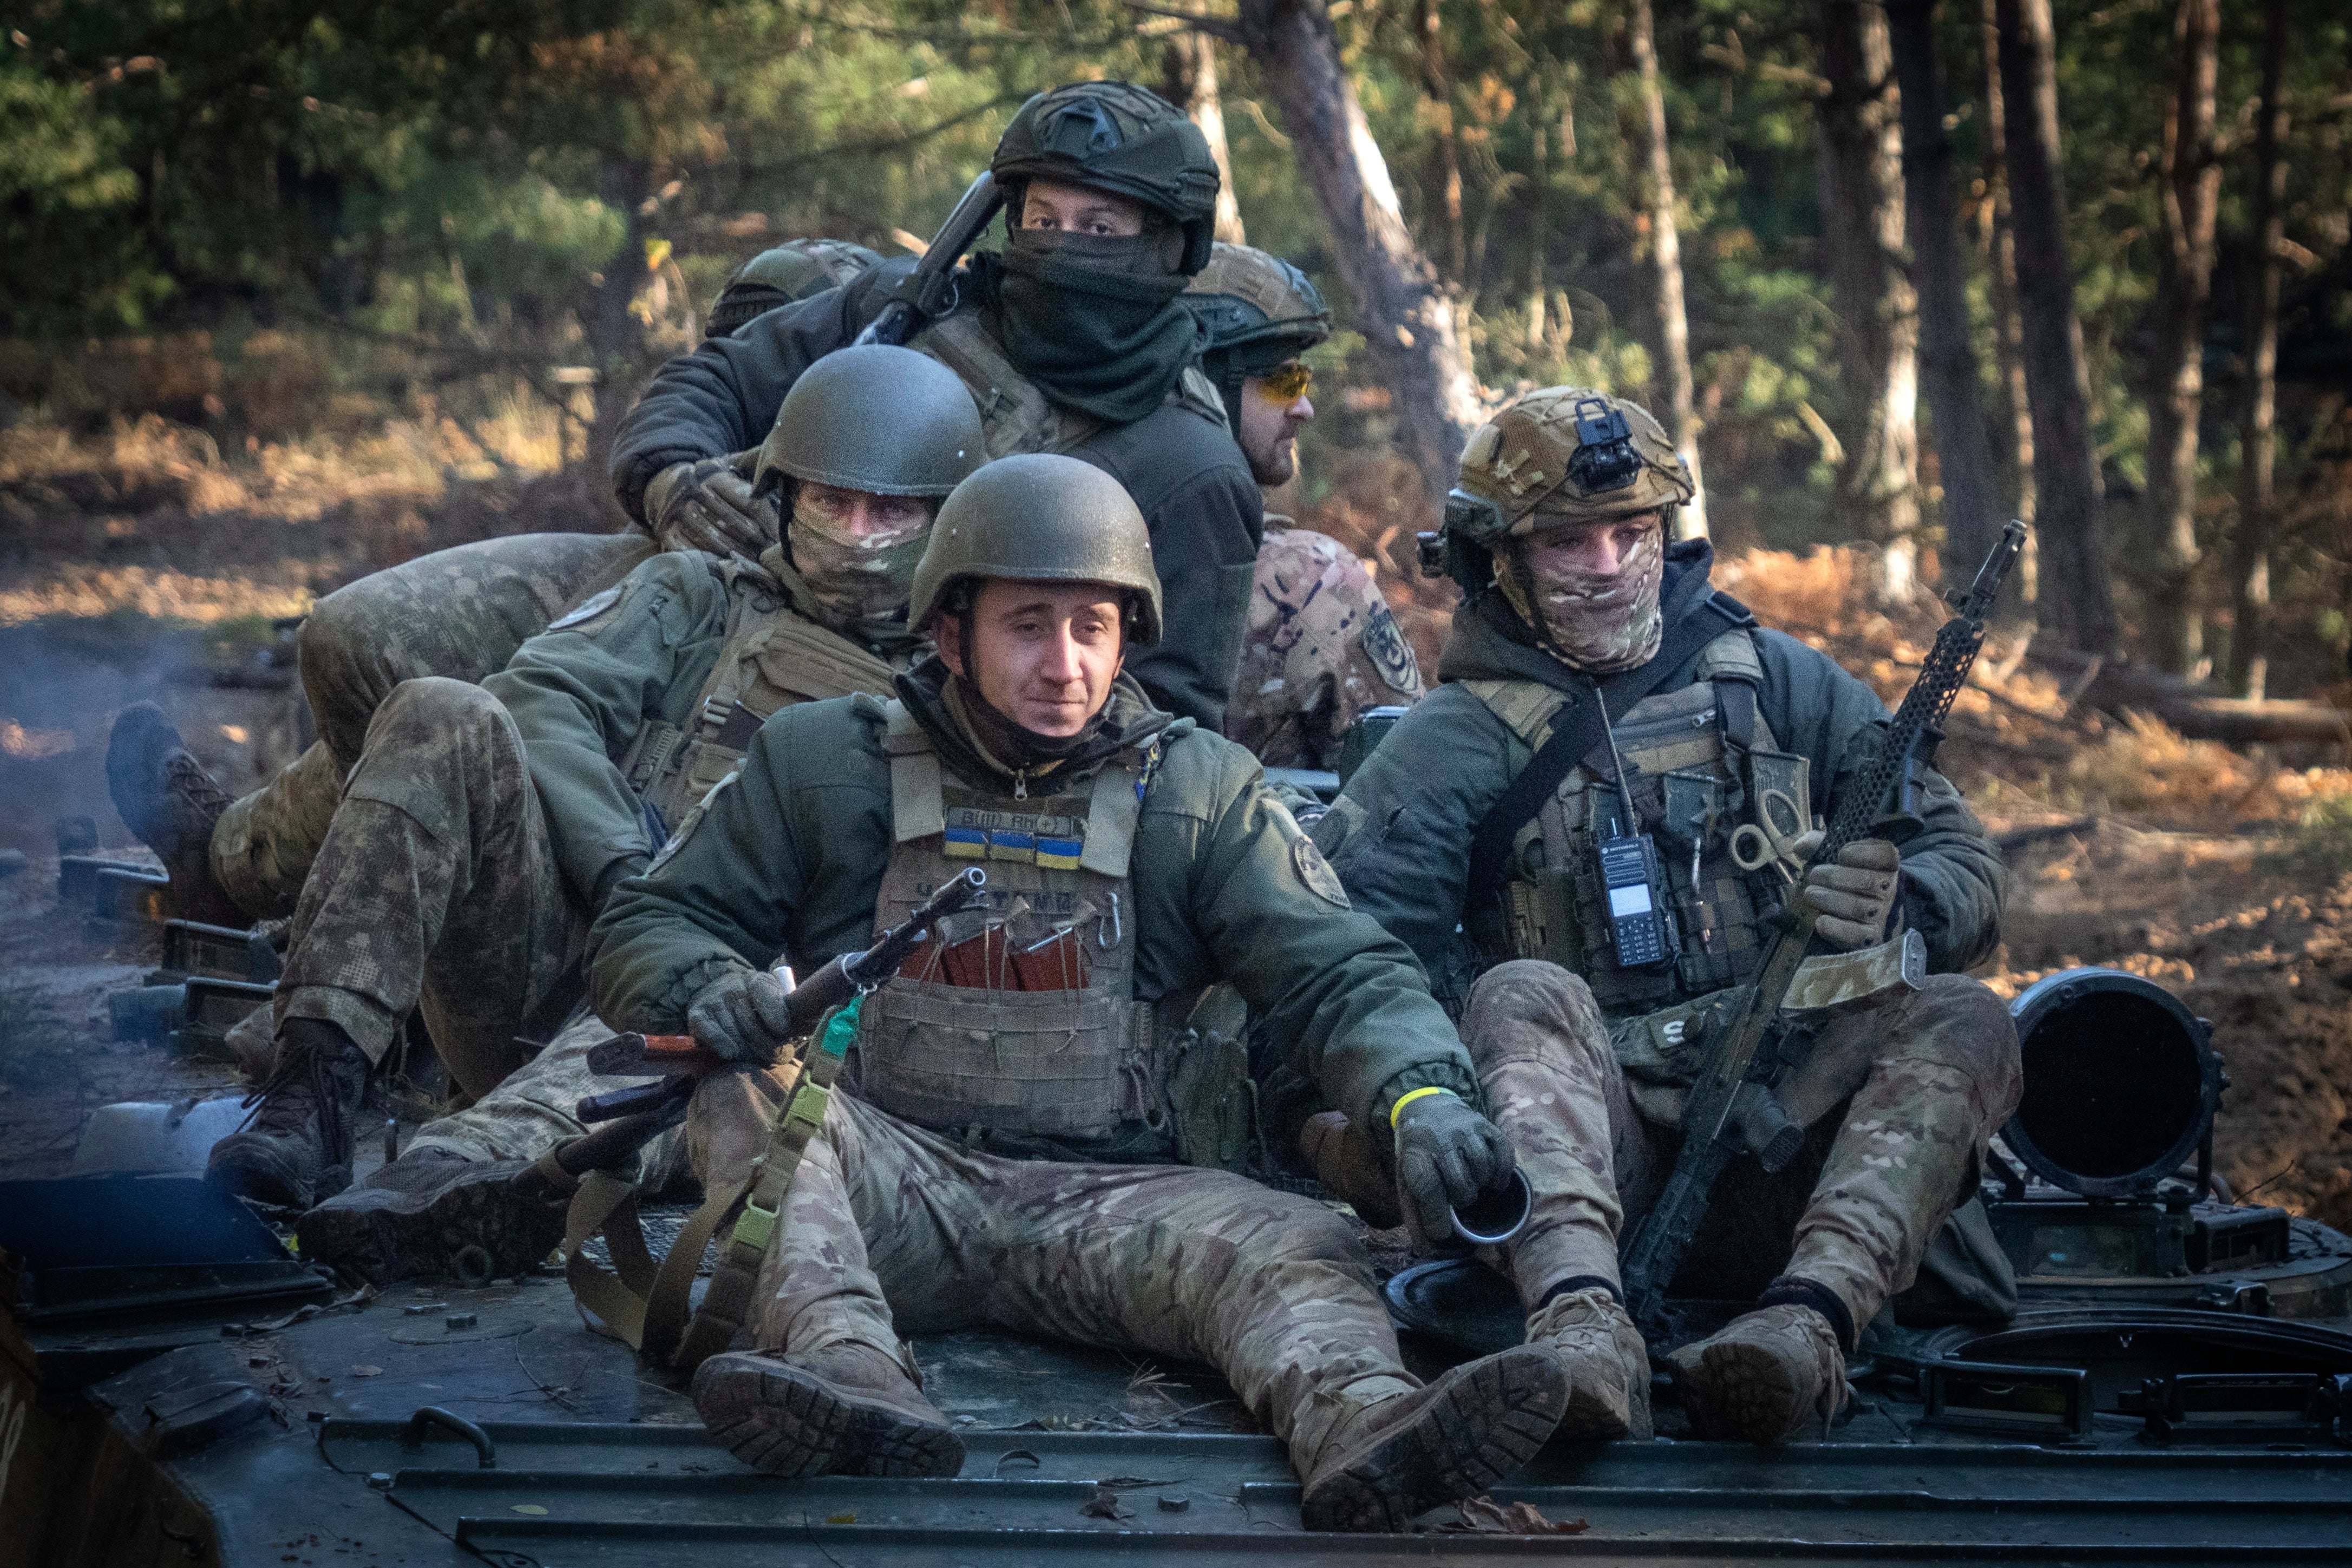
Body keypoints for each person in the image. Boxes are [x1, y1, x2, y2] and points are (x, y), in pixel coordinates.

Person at [587, 453, 1568, 1531]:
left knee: (1299, 1242)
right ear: (950, 630)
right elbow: (649, 921)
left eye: (1092, 627)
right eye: (1028, 625)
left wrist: (1418, 1094)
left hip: (1120, 1205)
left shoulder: (1195, 788)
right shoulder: (824, 761)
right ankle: (847, 1373)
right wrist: (704, 983)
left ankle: (1370, 1424)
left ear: (1126, 637)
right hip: (886, 1186)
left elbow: (1339, 967)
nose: (1064, 663)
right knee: (745, 1094)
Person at [1311, 386, 2020, 1445]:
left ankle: (1808, 1325)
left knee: (1964, 1013)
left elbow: (1961, 860)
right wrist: (1420, 1105)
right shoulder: (1451, 743)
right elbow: (1349, 964)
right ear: (1498, 555)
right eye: (1567, 542)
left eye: (1631, 532)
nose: (1607, 564)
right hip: (1589, 1170)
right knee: (1520, 991)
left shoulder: (1781, 681)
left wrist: (1897, 904)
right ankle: (1581, 1332)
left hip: (1797, 1146)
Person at [193, 346, 983, 1282]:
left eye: (890, 511)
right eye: (830, 503)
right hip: (554, 950)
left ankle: (470, 1175)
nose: (855, 535)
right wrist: (619, 862)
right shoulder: (701, 597)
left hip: (728, 1029)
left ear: (946, 524)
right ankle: (308, 1093)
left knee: (731, 984)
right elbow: (539, 697)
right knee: (443, 710)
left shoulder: (963, 690)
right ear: (781, 499)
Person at [102, 240, 883, 932]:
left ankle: (243, 872)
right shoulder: (687, 533)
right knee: (426, 707)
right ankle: (243, 868)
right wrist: (680, 487)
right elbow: (686, 405)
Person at [613, 81, 1265, 732]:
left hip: (921, 731)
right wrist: (672, 478)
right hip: (724, 606)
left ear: (1171, 245)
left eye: (1097, 228)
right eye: (1044, 221)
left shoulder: (1193, 466)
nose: (1062, 246)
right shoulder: (911, 307)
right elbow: (712, 382)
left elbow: (1163, 722)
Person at [1184, 242, 1424, 769]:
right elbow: (1414, 794)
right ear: (1196, 380)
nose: (1304, 407)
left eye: (1303, 379)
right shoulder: (1314, 583)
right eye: (1281, 379)